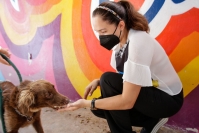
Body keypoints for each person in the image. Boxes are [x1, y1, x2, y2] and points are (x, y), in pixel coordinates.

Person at [59, 1, 184, 133]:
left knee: (106, 84)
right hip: (148, 91)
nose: (101, 37)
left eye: (103, 31)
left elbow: (127, 101)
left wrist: (86, 103)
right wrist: (99, 82)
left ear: (121, 25)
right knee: (102, 98)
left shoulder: (138, 41)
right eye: (98, 32)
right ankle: (150, 120)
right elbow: (126, 78)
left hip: (167, 99)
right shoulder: (119, 45)